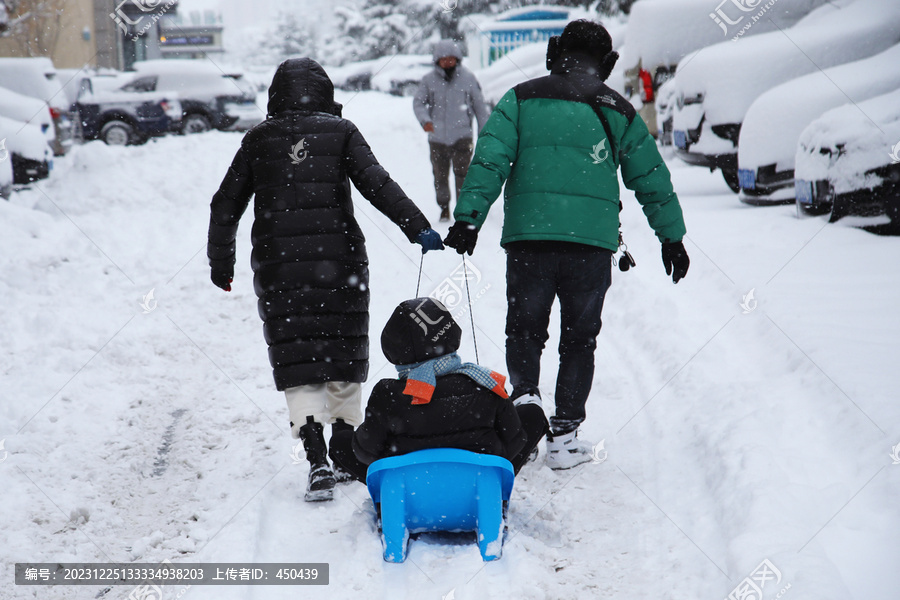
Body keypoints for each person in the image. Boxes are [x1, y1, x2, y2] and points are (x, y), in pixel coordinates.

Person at [443, 20, 690, 470]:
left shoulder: (521, 98)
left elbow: (490, 158)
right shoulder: (619, 109)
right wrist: (670, 238)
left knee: (524, 331)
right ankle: (565, 436)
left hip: (529, 241)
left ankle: (525, 403)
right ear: (608, 64)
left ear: (556, 52)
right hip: (589, 248)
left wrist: (468, 220)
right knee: (579, 341)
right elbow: (651, 179)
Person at [207, 58, 444, 502]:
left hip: (279, 270)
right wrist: (417, 227)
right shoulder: (341, 132)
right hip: (340, 266)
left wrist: (222, 265)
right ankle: (343, 448)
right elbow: (378, 183)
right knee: (343, 350)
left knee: (297, 361)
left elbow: (224, 205)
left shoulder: (259, 140)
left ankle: (316, 459)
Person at [328, 297, 549, 483]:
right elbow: (514, 442)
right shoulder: (484, 383)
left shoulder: (388, 394)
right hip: (478, 487)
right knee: (532, 413)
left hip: (410, 491)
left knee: (340, 442)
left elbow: (366, 451)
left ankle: (389, 497)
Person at [413, 40, 490, 223]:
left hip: (462, 137)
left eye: (451, 59)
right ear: (437, 60)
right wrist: (426, 121)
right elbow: (418, 103)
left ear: (457, 59)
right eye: (443, 59)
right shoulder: (428, 80)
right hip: (437, 139)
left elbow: (480, 108)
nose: (447, 62)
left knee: (463, 176)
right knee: (440, 176)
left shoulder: (468, 79)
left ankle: (462, 211)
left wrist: (484, 133)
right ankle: (444, 207)